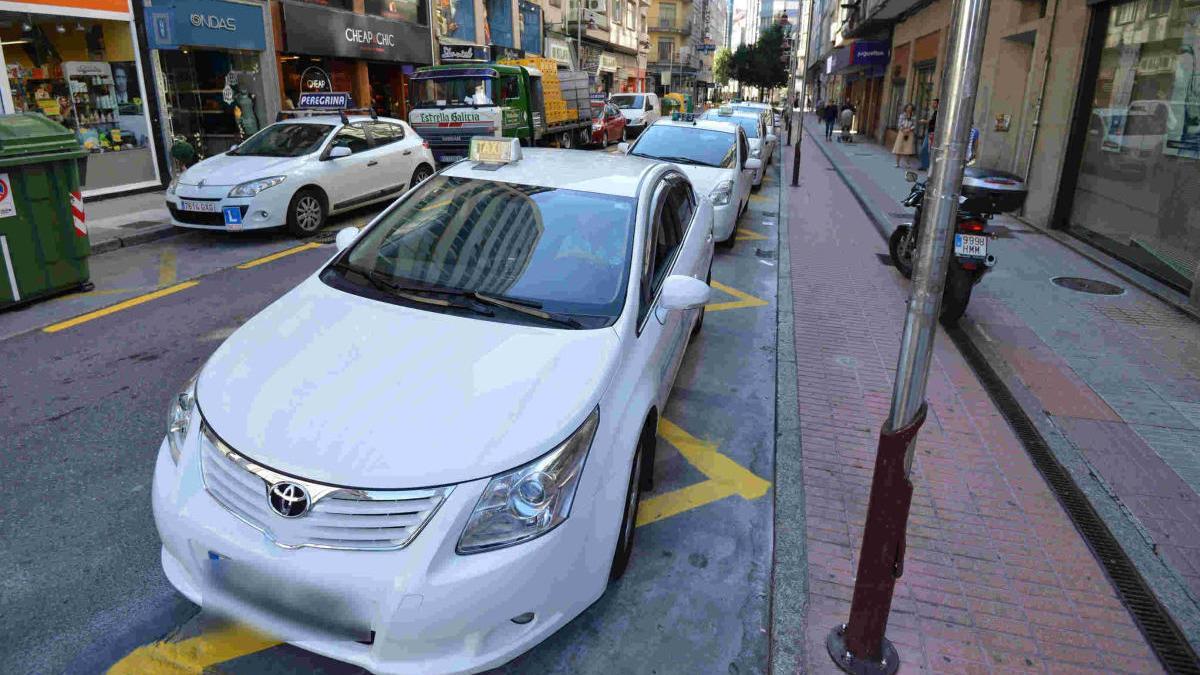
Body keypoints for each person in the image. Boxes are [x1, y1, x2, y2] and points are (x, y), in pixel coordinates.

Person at [893, 103, 917, 167]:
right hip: (902, 132)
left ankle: (907, 163)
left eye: (910, 108)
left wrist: (909, 129)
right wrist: (903, 129)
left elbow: (914, 125)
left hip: (910, 133)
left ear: (912, 109)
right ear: (906, 108)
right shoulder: (902, 115)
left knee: (908, 148)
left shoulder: (913, 117)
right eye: (908, 108)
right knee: (899, 147)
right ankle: (897, 163)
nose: (909, 109)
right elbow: (899, 124)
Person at [919, 98, 939, 170]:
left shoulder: (938, 113)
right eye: (932, 103)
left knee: (926, 148)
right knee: (926, 149)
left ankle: (926, 166)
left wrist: (925, 121)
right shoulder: (935, 112)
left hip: (932, 133)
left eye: (934, 103)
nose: (932, 104)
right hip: (930, 132)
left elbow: (932, 122)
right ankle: (925, 165)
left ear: (938, 104)